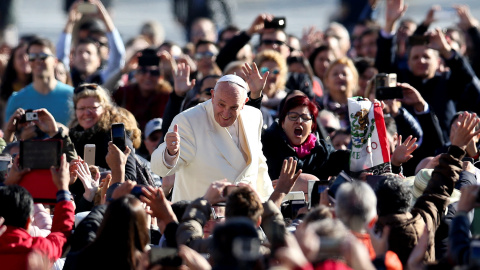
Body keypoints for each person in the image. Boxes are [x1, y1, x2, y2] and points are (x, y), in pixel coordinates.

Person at [151, 74, 274, 202]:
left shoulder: (254, 116)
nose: (226, 113)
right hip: (201, 215)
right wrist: (170, 152)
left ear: (244, 103)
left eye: (234, 107)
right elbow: (159, 169)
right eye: (221, 104)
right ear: (213, 96)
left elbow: (259, 167)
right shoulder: (189, 120)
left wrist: (270, 206)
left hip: (245, 214)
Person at [0, 154, 75, 270]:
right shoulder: (39, 249)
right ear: (29, 221)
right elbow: (61, 233)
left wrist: (7, 184)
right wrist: (63, 188)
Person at [68, 83, 136, 206]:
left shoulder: (115, 136)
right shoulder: (73, 135)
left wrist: (97, 172)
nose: (87, 113)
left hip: (109, 206)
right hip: (81, 205)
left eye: (92, 108)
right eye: (82, 109)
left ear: (104, 108)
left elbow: (130, 177)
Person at [262, 95, 349, 184]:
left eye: (305, 118)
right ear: (283, 123)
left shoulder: (322, 152)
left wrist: (361, 134)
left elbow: (351, 161)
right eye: (293, 116)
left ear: (312, 126)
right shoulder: (265, 144)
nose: (299, 121)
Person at [4, 38, 74, 126]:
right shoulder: (16, 99)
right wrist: (22, 136)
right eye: (32, 57)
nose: (37, 61)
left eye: (43, 56)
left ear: (55, 61)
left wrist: (63, 133)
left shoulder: (72, 95)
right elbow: (6, 137)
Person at [113, 48, 172, 131]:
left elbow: (185, 99)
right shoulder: (125, 92)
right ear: (135, 75)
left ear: (161, 76)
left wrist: (173, 73)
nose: (148, 76)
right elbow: (104, 93)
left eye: (154, 72)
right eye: (143, 71)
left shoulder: (167, 95)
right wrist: (123, 71)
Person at [316, 57, 359, 128]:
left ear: (354, 81)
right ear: (327, 81)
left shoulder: (361, 109)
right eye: (335, 74)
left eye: (344, 74)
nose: (340, 77)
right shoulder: (317, 107)